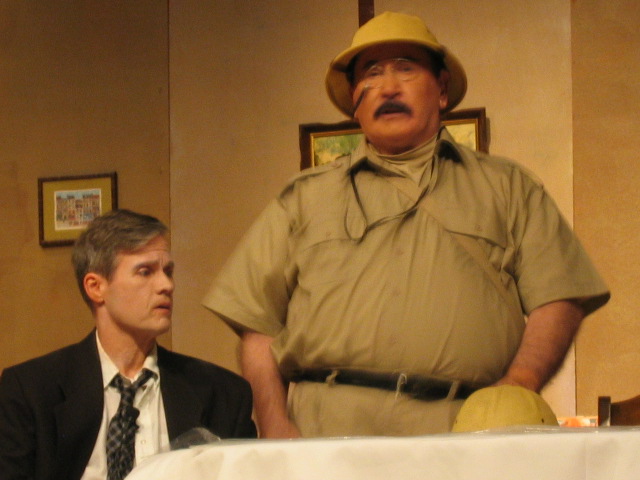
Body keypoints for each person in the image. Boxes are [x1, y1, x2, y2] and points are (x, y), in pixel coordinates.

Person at [202, 11, 610, 438]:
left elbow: (558, 297)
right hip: (323, 430)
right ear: (355, 100)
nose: (389, 87)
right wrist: (273, 422)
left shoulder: (509, 187)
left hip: (465, 431)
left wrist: (518, 387)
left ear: (443, 91)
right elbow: (257, 327)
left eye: (406, 69)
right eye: (372, 74)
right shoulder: (302, 197)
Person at [0, 209, 256, 480]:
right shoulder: (30, 390)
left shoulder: (224, 393)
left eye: (168, 272)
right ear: (95, 287)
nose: (166, 285)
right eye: (145, 272)